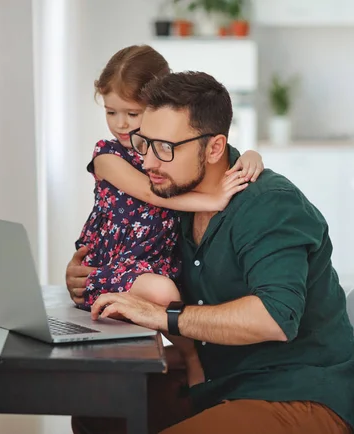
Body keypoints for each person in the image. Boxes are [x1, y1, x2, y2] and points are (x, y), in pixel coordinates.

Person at [66, 71, 354, 434]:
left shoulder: (269, 205)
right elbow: (126, 252)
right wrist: (84, 275)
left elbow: (274, 317)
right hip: (221, 380)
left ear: (214, 148)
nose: (147, 163)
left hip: (297, 394)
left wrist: (163, 316)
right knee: (96, 410)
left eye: (165, 148)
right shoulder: (175, 199)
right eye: (144, 144)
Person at [75, 45, 264, 387]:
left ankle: (184, 361)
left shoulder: (173, 156)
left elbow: (213, 153)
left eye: (132, 114)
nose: (121, 125)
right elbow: (150, 193)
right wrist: (215, 200)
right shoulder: (107, 156)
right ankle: (191, 359)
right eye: (111, 112)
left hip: (156, 258)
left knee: (170, 292)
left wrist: (251, 155)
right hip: (116, 260)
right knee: (163, 291)